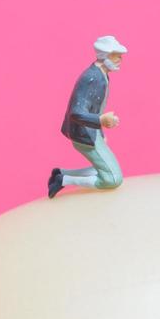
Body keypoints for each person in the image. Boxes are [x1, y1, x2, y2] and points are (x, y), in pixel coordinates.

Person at [48, 36, 126, 198]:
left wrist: (100, 132)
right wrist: (101, 121)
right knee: (113, 179)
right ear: (104, 55)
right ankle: (63, 180)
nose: (120, 59)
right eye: (115, 55)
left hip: (93, 132)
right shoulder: (92, 78)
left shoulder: (102, 75)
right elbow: (75, 112)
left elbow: (96, 107)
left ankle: (60, 173)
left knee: (105, 168)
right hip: (83, 135)